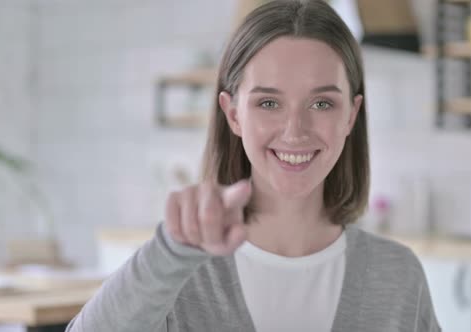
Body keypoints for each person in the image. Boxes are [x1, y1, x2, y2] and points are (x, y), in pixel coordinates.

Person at [66, 0, 440, 331]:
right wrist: (171, 252)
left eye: (322, 103)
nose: (295, 131)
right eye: (268, 103)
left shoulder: (397, 275)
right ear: (233, 114)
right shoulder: (180, 272)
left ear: (351, 115)